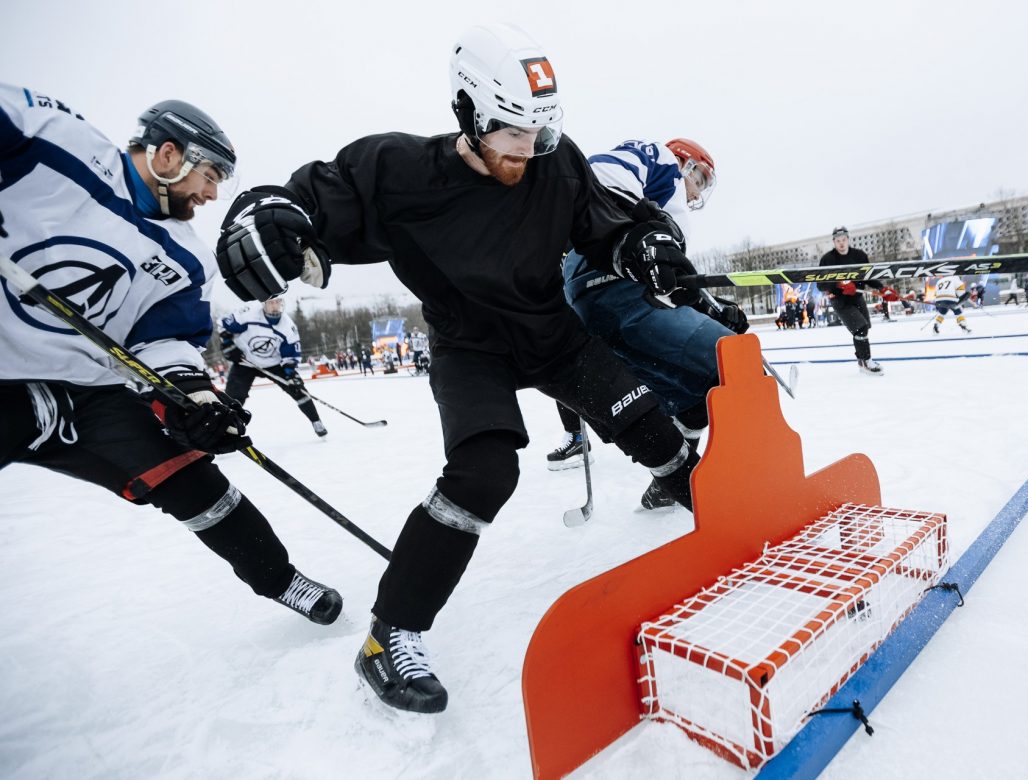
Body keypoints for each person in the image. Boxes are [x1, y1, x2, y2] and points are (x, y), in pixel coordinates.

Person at [214, 23, 703, 714]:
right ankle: (392, 635)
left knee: (649, 425)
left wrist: (645, 242)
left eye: (540, 133)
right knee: (484, 472)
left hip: (550, 335)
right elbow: (308, 202)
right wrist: (263, 216)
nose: (526, 152)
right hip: (467, 344)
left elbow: (609, 224)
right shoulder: (396, 170)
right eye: (510, 133)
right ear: (469, 113)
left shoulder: (556, 164)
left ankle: (729, 516)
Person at [0, 86, 342, 631]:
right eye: (209, 177)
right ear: (169, 155)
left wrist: (195, 400)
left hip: (90, 390)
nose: (210, 196)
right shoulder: (59, 142)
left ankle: (280, 579)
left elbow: (164, 340)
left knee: (193, 481)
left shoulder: (186, 258)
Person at [556, 137, 745, 508]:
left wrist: (713, 309)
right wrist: (641, 228)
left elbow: (666, 289)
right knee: (739, 365)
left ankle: (672, 483)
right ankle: (754, 485)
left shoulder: (670, 223)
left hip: (599, 307)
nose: (698, 192)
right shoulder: (660, 160)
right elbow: (601, 173)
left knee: (692, 398)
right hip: (612, 286)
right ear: (685, 163)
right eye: (701, 179)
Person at [219, 297, 327, 438]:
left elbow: (290, 352)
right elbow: (224, 326)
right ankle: (225, 431)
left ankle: (316, 421)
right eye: (271, 303)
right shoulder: (248, 313)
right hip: (245, 362)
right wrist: (227, 344)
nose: (275, 306)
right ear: (264, 303)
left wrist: (290, 372)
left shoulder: (287, 326)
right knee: (233, 397)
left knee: (298, 389)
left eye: (278, 302)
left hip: (274, 364)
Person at [817, 227, 884, 375]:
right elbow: (820, 284)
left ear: (848, 239)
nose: (841, 244)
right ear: (834, 242)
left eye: (844, 240)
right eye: (838, 241)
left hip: (857, 297)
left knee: (862, 330)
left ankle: (862, 362)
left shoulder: (859, 256)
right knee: (860, 327)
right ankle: (867, 363)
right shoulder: (828, 259)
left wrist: (882, 289)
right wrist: (838, 284)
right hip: (840, 300)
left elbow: (868, 276)